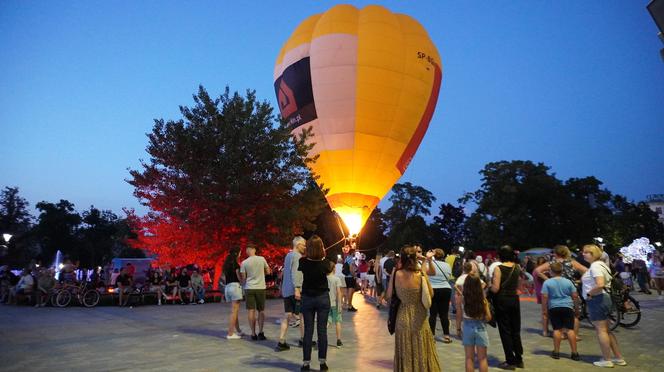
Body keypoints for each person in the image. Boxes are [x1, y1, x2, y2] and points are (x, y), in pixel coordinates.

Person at [388, 245, 440, 372]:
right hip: (420, 316)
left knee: (406, 349)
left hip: (403, 316)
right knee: (421, 347)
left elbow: (388, 295)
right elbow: (431, 294)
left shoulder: (397, 274)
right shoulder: (420, 274)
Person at [581, 244, 626, 368]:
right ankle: (618, 357)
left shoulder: (595, 266)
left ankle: (607, 359)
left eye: (586, 252)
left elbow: (600, 284)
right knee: (607, 330)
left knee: (601, 331)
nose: (583, 254)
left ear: (593, 254)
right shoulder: (601, 265)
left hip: (597, 299)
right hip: (603, 298)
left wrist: (589, 293)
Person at [534, 245, 588, 339]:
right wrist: (580, 280)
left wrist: (547, 279)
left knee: (558, 310)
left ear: (556, 253)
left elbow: (537, 270)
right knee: (574, 314)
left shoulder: (551, 263)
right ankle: (575, 335)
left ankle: (562, 334)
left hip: (555, 289)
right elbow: (586, 270)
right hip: (570, 288)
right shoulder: (572, 262)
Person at [296, 235, 331, 371]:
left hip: (308, 298)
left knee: (308, 331)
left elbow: (301, 275)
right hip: (322, 297)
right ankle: (322, 363)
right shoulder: (325, 263)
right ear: (321, 248)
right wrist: (323, 256)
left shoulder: (302, 262)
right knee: (322, 331)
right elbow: (328, 270)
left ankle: (306, 363)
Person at [490, 245, 524, 370]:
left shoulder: (498, 268)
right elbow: (521, 281)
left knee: (505, 330)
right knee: (515, 329)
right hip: (514, 300)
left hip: (502, 301)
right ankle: (519, 359)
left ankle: (510, 361)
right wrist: (518, 290)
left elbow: (496, 288)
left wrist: (489, 287)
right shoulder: (517, 266)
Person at [541, 262, 580, 361]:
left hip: (554, 307)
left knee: (557, 329)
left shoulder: (547, 283)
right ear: (562, 271)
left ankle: (556, 352)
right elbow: (575, 296)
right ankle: (574, 353)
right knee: (570, 330)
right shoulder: (568, 282)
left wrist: (544, 309)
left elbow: (545, 297)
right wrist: (576, 308)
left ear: (550, 271)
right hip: (567, 307)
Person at [276, 236, 305, 351]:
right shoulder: (297, 257)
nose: (305, 247)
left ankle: (281, 341)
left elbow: (286, 273)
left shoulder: (288, 256)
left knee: (287, 315)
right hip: (294, 290)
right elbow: (296, 273)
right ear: (298, 245)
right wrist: (297, 288)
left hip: (287, 290)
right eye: (303, 245)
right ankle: (303, 340)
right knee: (303, 316)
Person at [457, 275, 491, 372]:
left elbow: (459, 315)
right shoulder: (483, 300)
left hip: (467, 328)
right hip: (481, 328)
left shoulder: (462, 299)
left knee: (469, 358)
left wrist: (458, 329)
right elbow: (488, 318)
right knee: (482, 359)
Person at [240, 244, 271, 341]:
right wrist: (262, 274)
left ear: (248, 250)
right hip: (261, 287)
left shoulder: (244, 262)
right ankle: (261, 332)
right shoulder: (262, 259)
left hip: (249, 288)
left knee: (251, 311)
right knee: (261, 310)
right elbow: (268, 271)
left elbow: (244, 277)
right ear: (254, 249)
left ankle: (253, 333)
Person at [428, 248, 453, 343]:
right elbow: (449, 276)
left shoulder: (429, 264)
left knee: (433, 314)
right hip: (446, 289)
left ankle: (432, 336)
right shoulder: (447, 265)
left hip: (433, 289)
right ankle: (446, 336)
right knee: (444, 314)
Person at [222, 247, 244, 339]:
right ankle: (230, 333)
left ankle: (238, 330)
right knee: (234, 311)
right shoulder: (236, 265)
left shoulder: (226, 265)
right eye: (239, 253)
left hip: (227, 287)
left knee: (235, 311)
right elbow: (239, 278)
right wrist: (243, 279)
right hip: (235, 287)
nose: (240, 255)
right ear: (236, 254)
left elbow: (223, 277)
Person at [326, 259, 344, 348]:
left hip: (325, 304)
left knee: (327, 322)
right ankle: (338, 340)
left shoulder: (324, 279)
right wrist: (340, 304)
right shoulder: (337, 279)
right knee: (337, 321)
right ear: (333, 268)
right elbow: (339, 293)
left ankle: (321, 338)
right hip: (335, 304)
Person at [341, 245, 358, 312]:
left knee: (348, 291)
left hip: (346, 277)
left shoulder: (347, 258)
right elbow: (351, 268)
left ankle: (348, 305)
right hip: (350, 277)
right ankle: (350, 306)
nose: (355, 253)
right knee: (351, 292)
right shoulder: (351, 258)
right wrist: (354, 275)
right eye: (355, 252)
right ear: (352, 252)